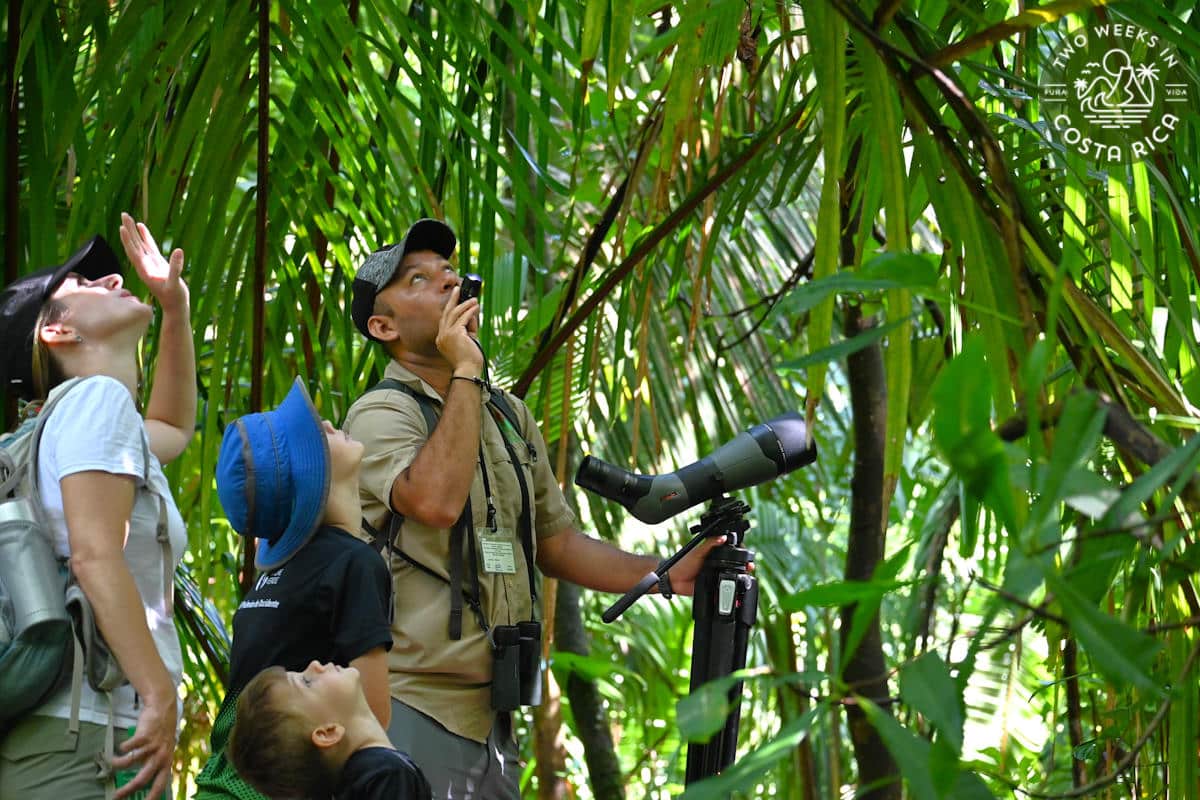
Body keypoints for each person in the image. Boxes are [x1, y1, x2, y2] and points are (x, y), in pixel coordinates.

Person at [343, 218, 724, 798]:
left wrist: (665, 574)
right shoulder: (381, 414)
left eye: (448, 269)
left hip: (494, 715)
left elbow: (556, 543)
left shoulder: (507, 415)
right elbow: (436, 502)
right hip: (411, 706)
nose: (447, 279)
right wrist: (467, 367)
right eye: (419, 279)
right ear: (383, 325)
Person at [0, 214, 195, 800]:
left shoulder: (57, 426)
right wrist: (158, 693)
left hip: (63, 732)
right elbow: (93, 555)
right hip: (85, 736)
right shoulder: (99, 402)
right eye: (84, 286)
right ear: (57, 334)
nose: (112, 280)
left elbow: (171, 427)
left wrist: (176, 312)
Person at [193, 378, 397, 799]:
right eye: (315, 436)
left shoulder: (276, 573)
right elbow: (372, 721)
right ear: (311, 477)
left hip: (227, 784)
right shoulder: (354, 564)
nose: (326, 421)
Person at [227, 660, 431, 800]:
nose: (314, 665)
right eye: (307, 682)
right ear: (328, 732)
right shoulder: (386, 775)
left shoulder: (357, 781)